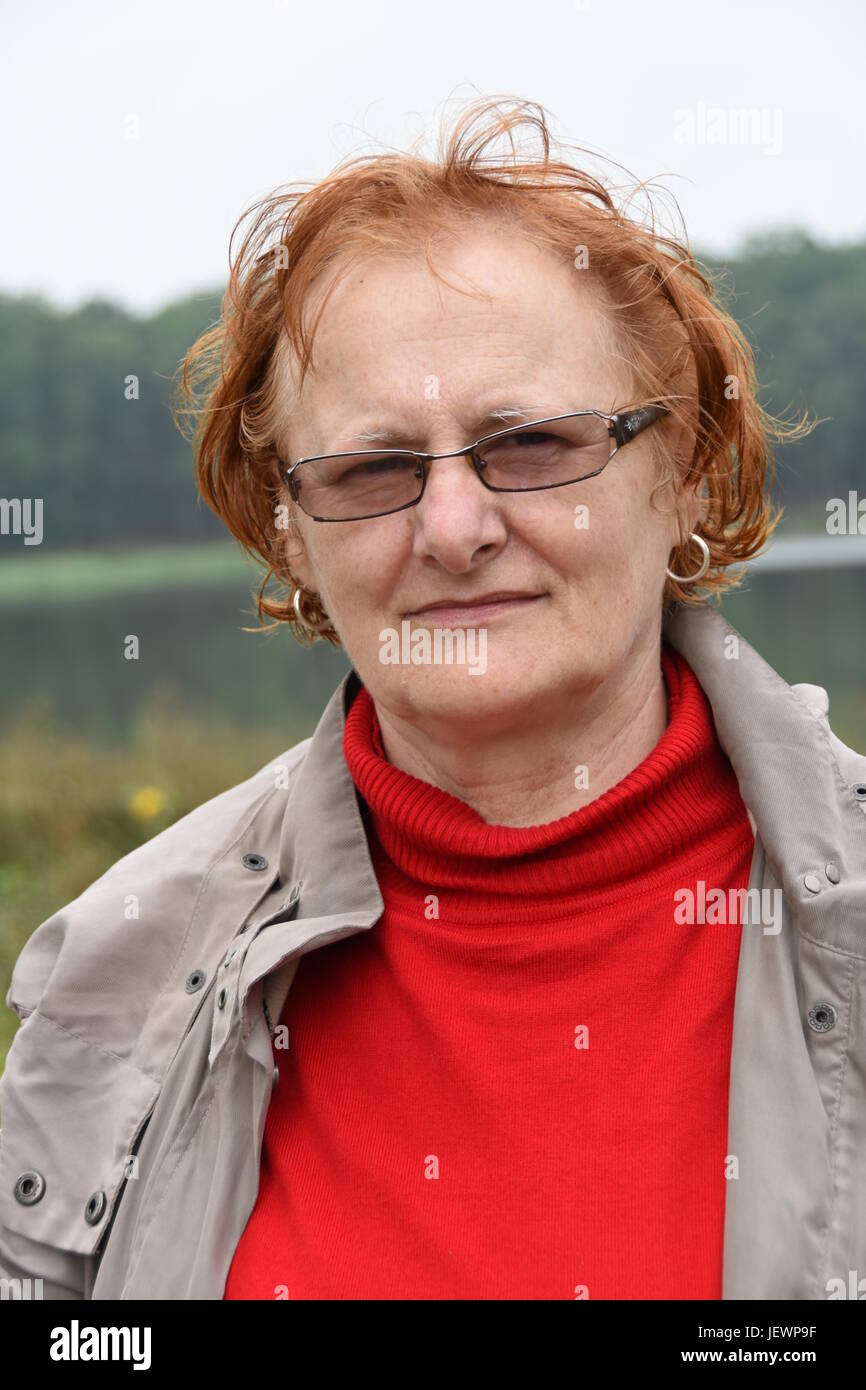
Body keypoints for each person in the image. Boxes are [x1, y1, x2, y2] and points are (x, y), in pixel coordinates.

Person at [1, 97, 864, 1302]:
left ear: (683, 473)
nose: (454, 528)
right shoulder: (118, 968)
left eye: (530, 444)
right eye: (371, 468)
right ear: (291, 533)